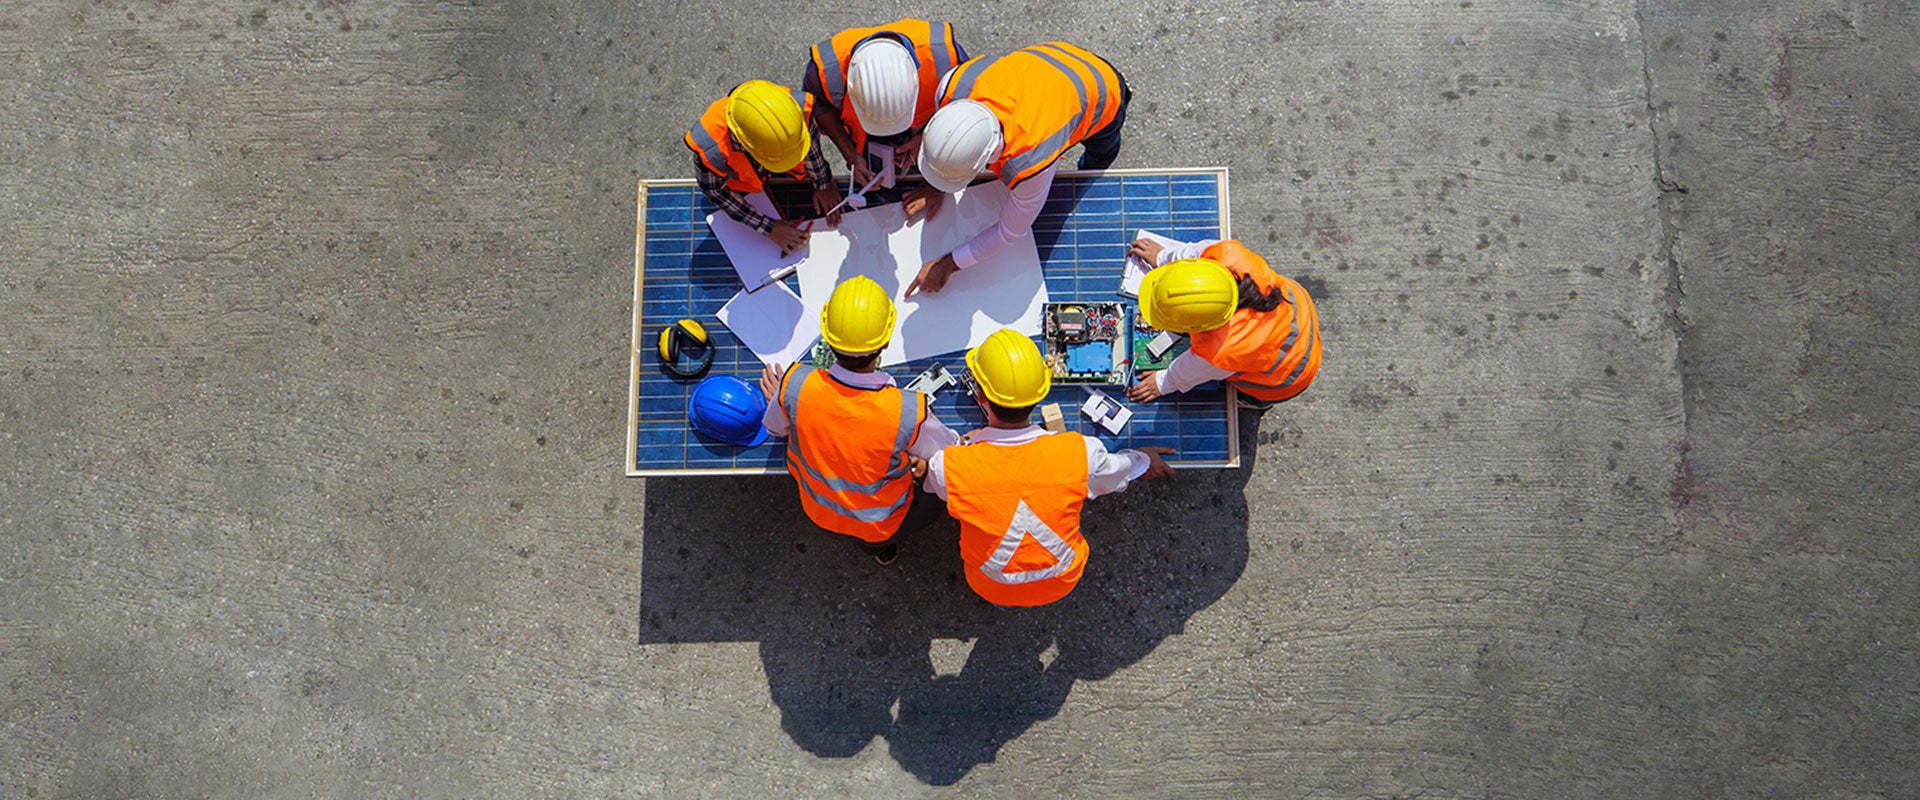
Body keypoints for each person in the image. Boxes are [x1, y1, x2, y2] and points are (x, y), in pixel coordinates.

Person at [922, 329, 1174, 607]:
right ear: (1042, 392)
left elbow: (938, 484)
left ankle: (1005, 601)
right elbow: (1120, 471)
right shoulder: (1080, 453)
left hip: (989, 585)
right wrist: (1145, 458)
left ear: (979, 395)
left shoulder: (950, 465)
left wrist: (967, 446)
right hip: (1062, 580)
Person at [760, 276, 960, 564]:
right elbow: (949, 452)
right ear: (887, 341)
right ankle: (882, 547)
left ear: (827, 338)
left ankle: (881, 550)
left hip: (819, 510)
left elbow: (775, 428)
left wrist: (781, 399)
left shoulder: (795, 385)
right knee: (934, 496)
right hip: (879, 524)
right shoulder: (905, 411)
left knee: (869, 536)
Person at [905, 42, 1131, 297]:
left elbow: (1008, 233)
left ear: (984, 161)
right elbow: (949, 134)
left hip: (1101, 86)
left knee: (1102, 153)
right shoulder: (952, 86)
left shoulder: (1031, 162)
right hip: (1054, 57)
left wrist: (947, 265)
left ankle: (1091, 170)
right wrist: (936, 181)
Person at [1124, 238, 1323, 410]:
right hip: (1299, 313)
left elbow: (1188, 372)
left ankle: (1256, 403)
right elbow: (1192, 254)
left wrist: (1161, 383)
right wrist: (1162, 257)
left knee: (1252, 389)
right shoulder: (1227, 255)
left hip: (1289, 376)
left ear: (1196, 327)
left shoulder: (1223, 350)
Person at [801, 19, 967, 223]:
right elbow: (819, 106)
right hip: (863, 139)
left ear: (914, 80)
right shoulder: (824, 70)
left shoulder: (946, 58)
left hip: (921, 128)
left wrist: (926, 143)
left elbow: (965, 119)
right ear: (851, 87)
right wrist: (851, 153)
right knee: (870, 169)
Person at [686, 80, 845, 256]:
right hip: (743, 186)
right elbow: (716, 192)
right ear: (745, 145)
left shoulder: (793, 114)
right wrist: (769, 228)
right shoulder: (711, 149)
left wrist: (823, 184)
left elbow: (810, 148)